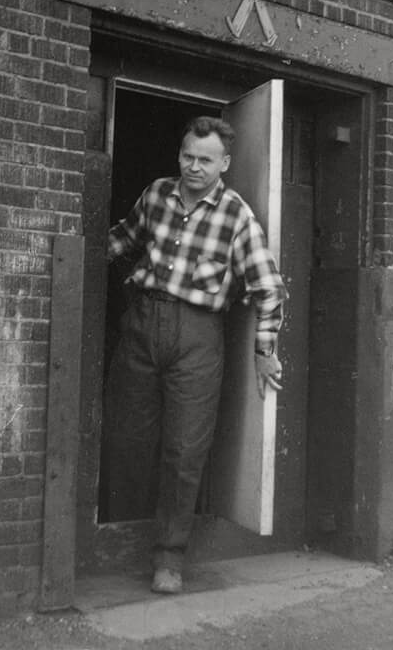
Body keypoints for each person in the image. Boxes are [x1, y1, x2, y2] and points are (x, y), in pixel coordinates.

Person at [105, 115, 287, 595]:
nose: (194, 167)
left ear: (224, 163)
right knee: (128, 435)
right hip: (142, 325)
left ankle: (169, 558)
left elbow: (268, 288)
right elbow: (122, 239)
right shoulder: (155, 194)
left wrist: (264, 350)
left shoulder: (236, 215)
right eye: (188, 156)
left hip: (199, 335)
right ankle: (117, 540)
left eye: (205, 160)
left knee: (185, 450)